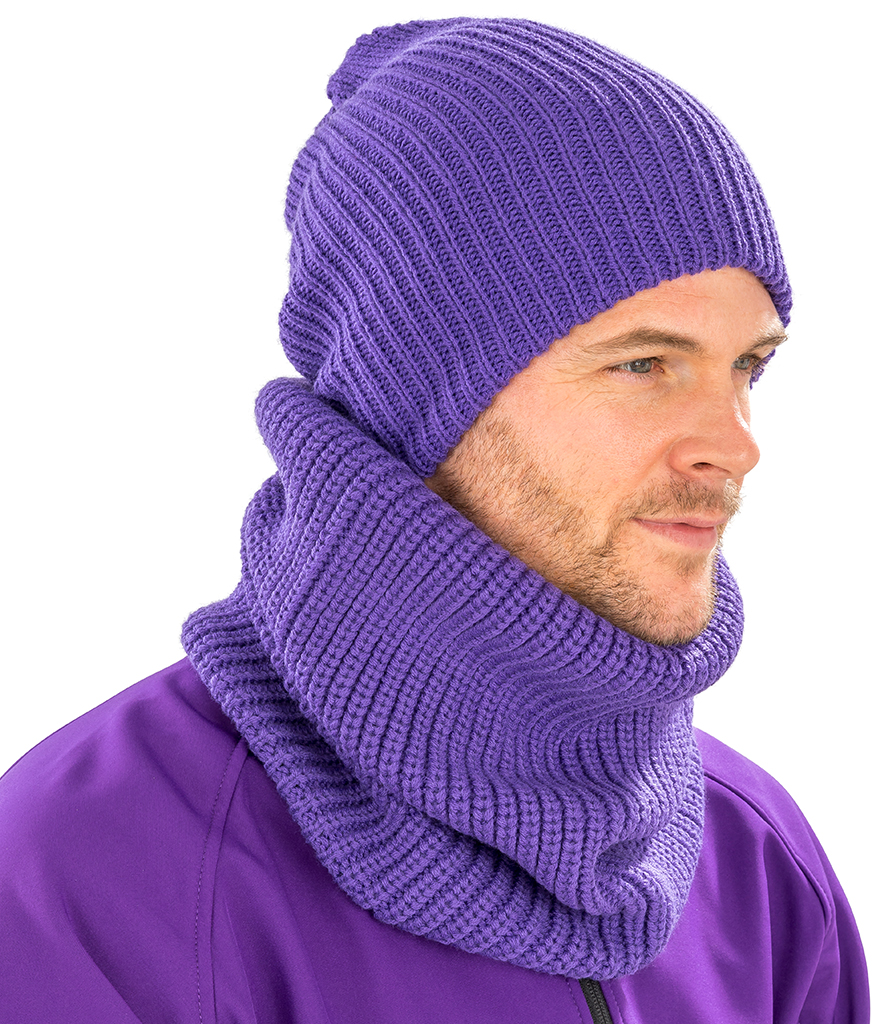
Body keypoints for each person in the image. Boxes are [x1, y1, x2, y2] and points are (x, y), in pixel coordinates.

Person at [0, 17, 869, 1023]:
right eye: (644, 363)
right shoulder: (91, 878)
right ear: (420, 396)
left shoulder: (756, 859)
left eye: (748, 365)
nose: (736, 444)